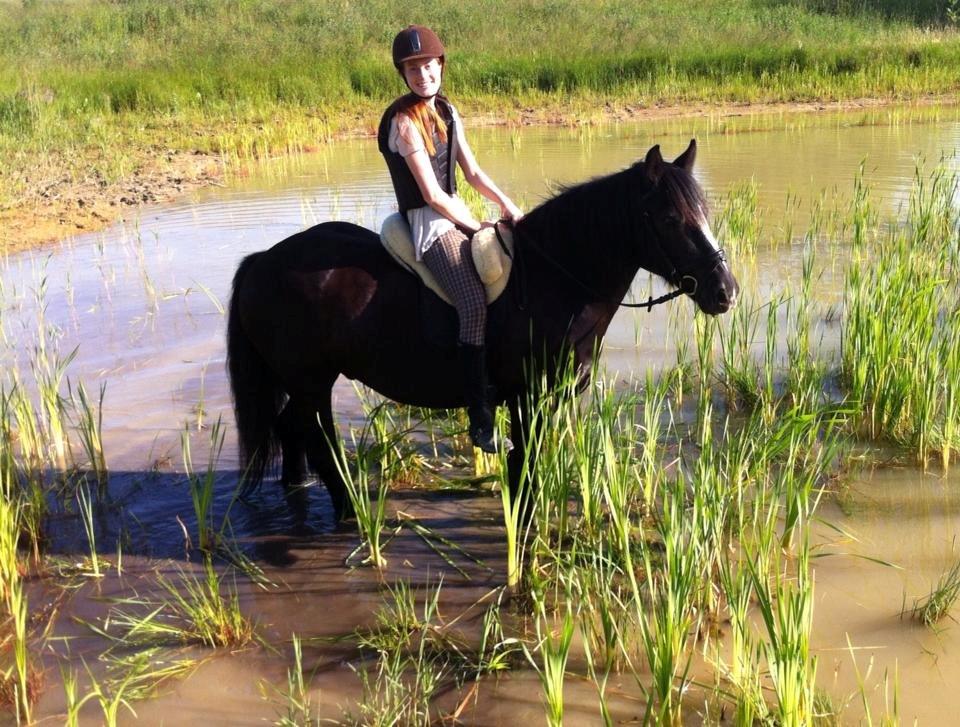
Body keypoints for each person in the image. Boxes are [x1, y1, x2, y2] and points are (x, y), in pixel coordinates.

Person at [377, 24, 523, 454]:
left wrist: (507, 207)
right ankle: (479, 416)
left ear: (441, 65)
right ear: (403, 74)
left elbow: (472, 174)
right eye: (412, 68)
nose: (422, 74)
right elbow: (433, 195)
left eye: (428, 65)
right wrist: (477, 228)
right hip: (431, 225)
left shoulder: (448, 110)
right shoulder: (405, 123)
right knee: (473, 301)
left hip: (458, 212)